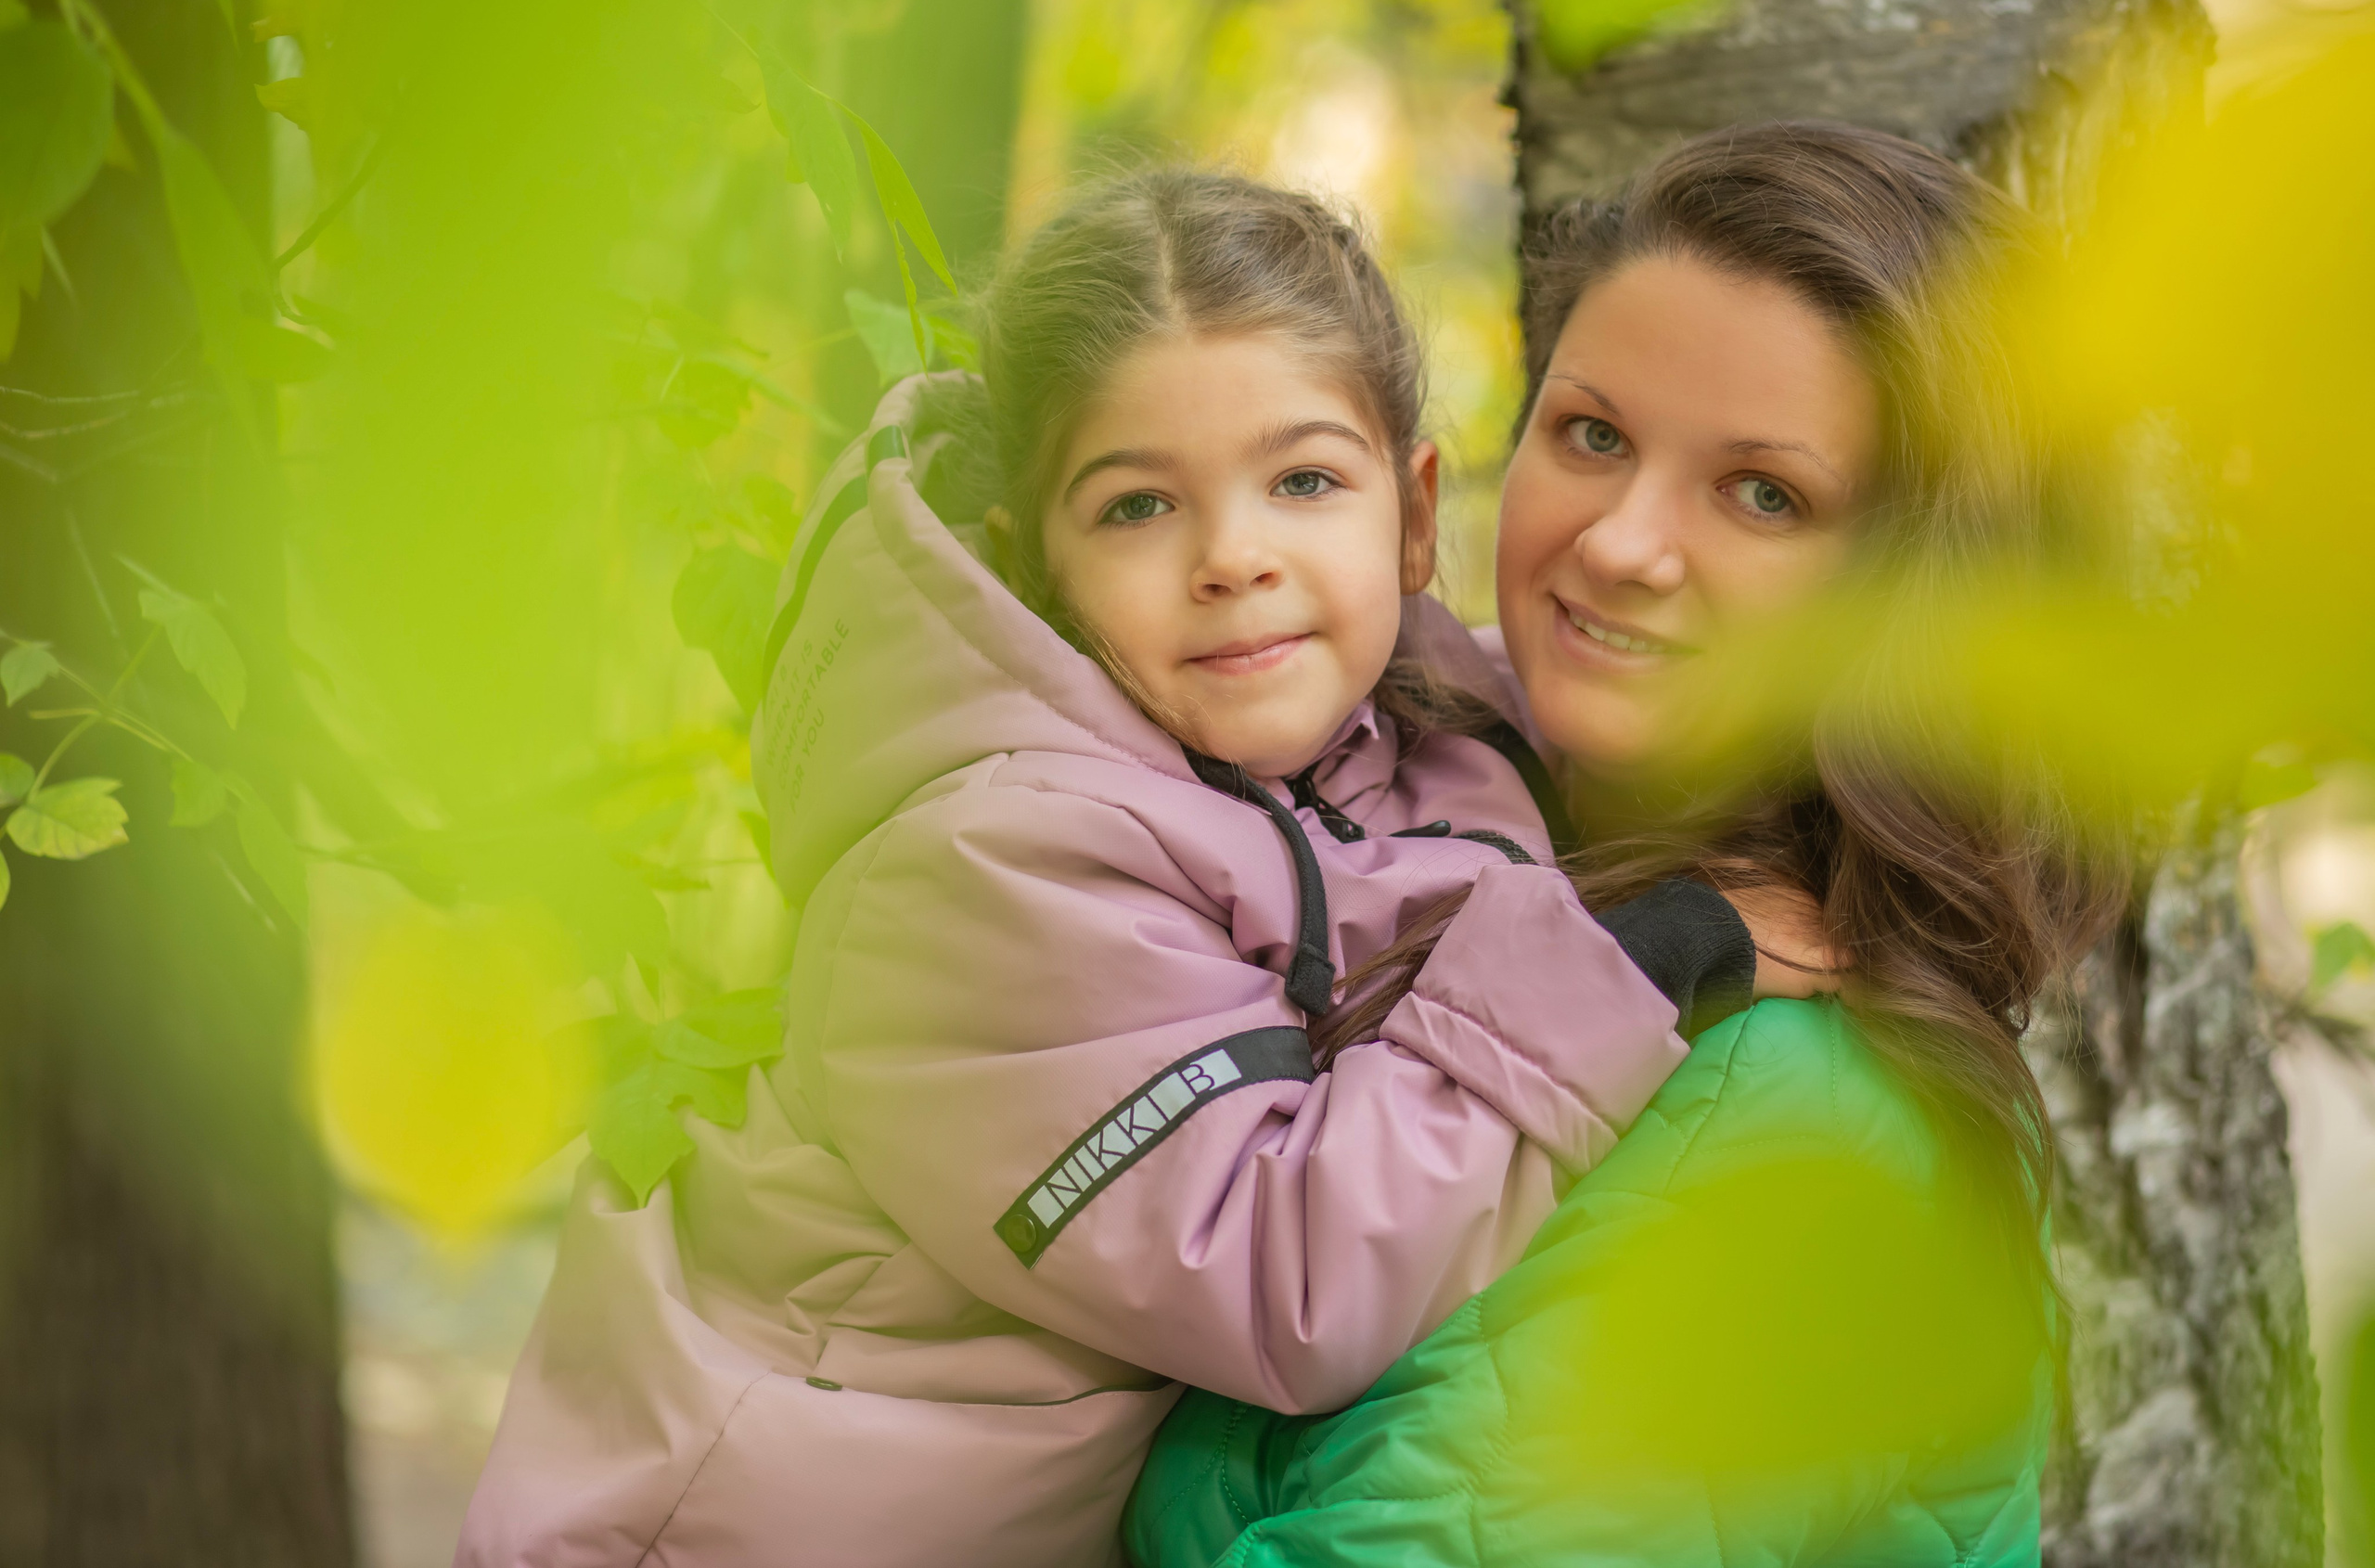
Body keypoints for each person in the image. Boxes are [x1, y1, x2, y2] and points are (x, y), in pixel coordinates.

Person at [457, 172, 1823, 1568]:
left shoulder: (1412, 720)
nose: (1235, 557)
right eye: (1135, 508)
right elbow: (1285, 1274)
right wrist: (1655, 952)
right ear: (1034, 565)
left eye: (1303, 481)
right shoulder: (982, 874)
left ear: (1414, 519)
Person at [1124, 122, 2121, 1568]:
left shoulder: (1766, 1118)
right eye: (1593, 433)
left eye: (1764, 493)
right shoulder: (1445, 859)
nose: (1620, 544)